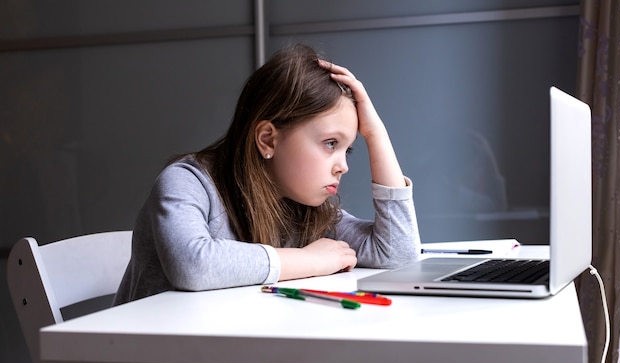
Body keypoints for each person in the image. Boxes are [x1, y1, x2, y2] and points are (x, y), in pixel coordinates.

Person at [113, 44, 420, 305]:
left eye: (348, 149)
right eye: (330, 144)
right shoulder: (186, 182)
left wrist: (376, 133)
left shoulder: (303, 206)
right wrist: (309, 260)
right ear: (268, 139)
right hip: (146, 362)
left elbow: (396, 252)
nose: (344, 166)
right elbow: (193, 265)